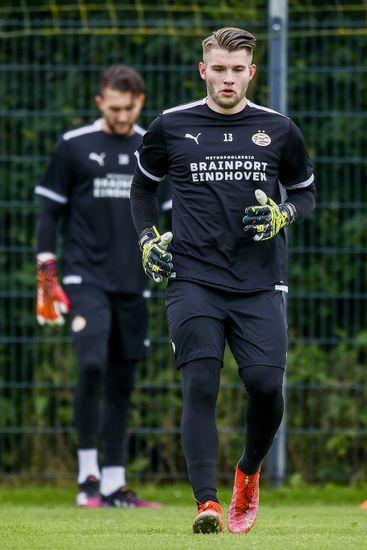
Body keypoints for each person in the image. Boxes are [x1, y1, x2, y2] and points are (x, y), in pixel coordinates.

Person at [130, 27, 315, 533]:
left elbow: (304, 192)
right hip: (193, 277)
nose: (227, 78)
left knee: (263, 384)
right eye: (219, 68)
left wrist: (283, 215)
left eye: (238, 70)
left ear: (251, 72)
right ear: (203, 69)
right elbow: (141, 191)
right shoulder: (170, 126)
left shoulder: (279, 129)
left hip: (260, 281)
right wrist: (148, 238)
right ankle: (207, 503)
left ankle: (248, 472)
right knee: (200, 384)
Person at [35, 64, 171, 508]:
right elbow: (49, 211)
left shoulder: (150, 148)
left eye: (128, 109)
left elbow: (166, 213)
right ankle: (87, 479)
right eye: (113, 109)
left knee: (122, 377)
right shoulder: (75, 146)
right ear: (100, 103)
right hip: (83, 277)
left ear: (140, 103)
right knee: (91, 364)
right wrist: (46, 266)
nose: (121, 117)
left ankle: (114, 483)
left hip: (133, 279)